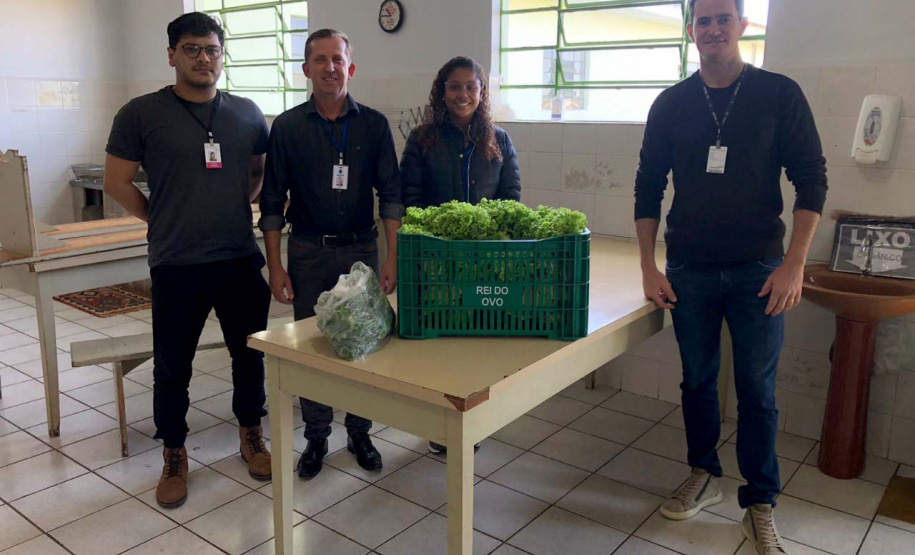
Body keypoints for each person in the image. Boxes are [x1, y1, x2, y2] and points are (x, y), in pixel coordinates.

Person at [634, 0, 827, 553]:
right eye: (703, 19)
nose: (714, 28)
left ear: (743, 25)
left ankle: (760, 502)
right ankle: (704, 473)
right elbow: (648, 184)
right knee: (697, 381)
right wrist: (649, 266)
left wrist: (794, 264)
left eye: (724, 18)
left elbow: (812, 180)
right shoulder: (671, 104)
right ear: (691, 30)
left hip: (760, 270)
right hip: (689, 267)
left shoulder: (778, 94)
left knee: (756, 390)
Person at [104, 12, 273, 509]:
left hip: (239, 258)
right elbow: (117, 183)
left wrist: (229, 208)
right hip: (177, 264)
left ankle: (251, 433)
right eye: (193, 49)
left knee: (250, 356)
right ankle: (174, 453)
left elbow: (257, 173)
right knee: (173, 366)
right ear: (173, 54)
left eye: (213, 50)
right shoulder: (141, 113)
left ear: (223, 56)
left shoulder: (246, 112)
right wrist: (160, 219)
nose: (205, 58)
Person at [259, 29, 403, 480]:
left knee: (364, 343)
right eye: (319, 59)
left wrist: (391, 256)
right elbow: (271, 203)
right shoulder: (286, 127)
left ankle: (360, 430)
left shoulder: (374, 125)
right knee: (312, 347)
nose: (329, 67)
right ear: (306, 70)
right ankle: (316, 436)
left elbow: (392, 198)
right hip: (307, 252)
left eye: (337, 58)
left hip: (361, 249)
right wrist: (276, 264)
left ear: (350, 67)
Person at [400, 55, 521, 454]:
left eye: (471, 86)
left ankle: (474, 424)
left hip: (484, 264)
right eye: (455, 86)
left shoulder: (499, 140)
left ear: (482, 92)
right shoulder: (422, 139)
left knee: (477, 344)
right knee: (439, 347)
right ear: (442, 91)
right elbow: (409, 199)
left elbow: (510, 200)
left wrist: (494, 246)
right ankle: (440, 426)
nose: (463, 94)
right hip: (435, 263)